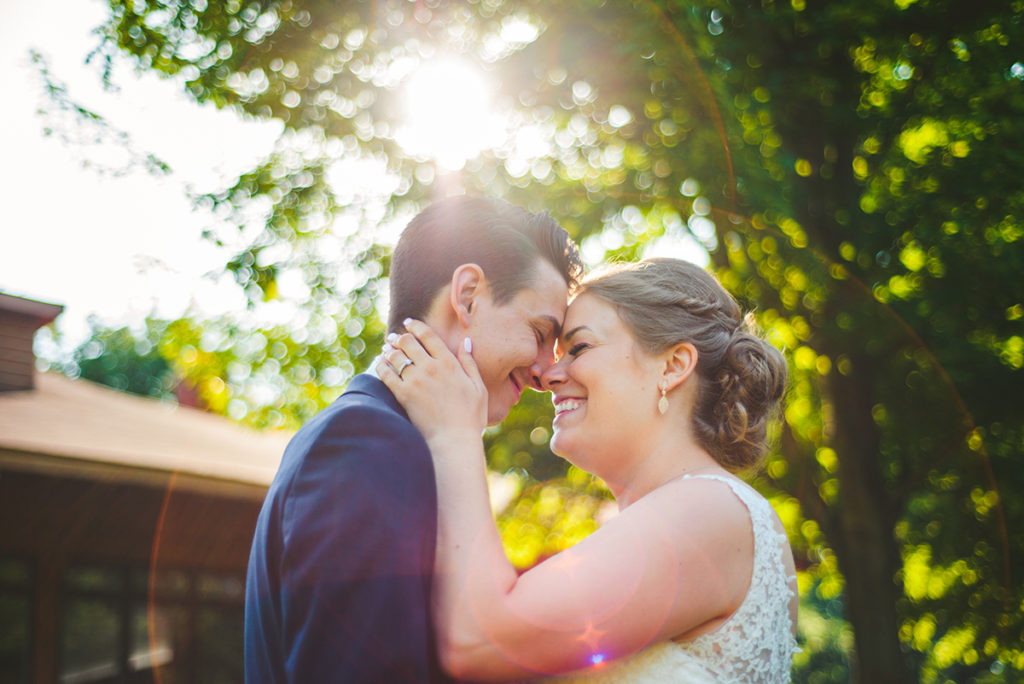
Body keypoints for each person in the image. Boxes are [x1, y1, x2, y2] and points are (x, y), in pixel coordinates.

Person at [378, 258, 799, 682]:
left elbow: (480, 643)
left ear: (673, 366)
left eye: (578, 348)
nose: (547, 376)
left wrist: (454, 433)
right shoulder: (685, 517)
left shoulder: (712, 510)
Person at [244, 195, 583, 682]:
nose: (545, 372)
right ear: (467, 296)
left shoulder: (383, 437)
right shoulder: (367, 443)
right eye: (538, 332)